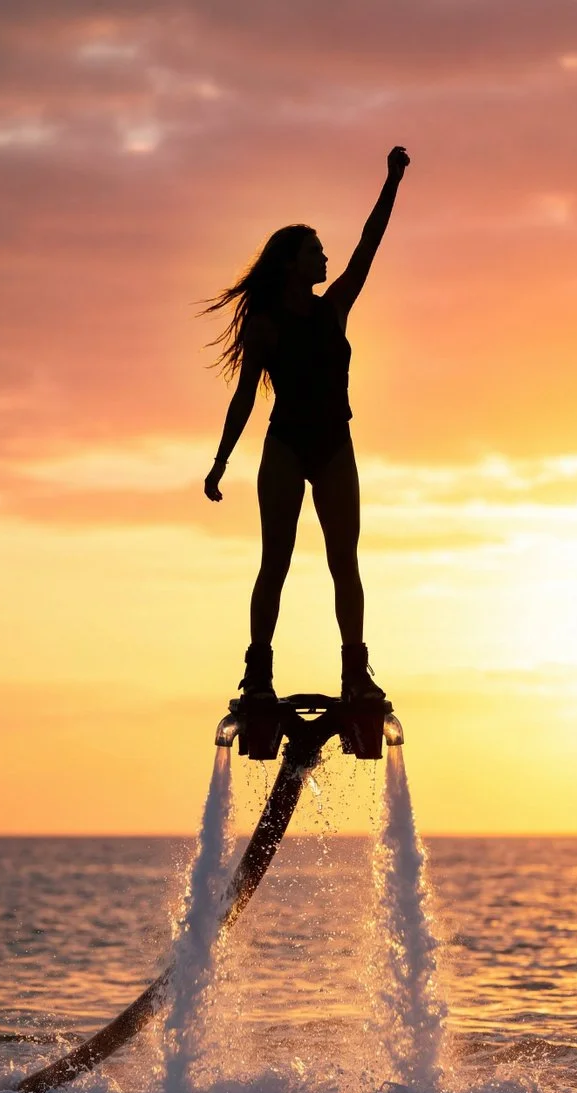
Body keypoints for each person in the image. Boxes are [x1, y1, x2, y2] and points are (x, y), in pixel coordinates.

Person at [204, 145, 410, 701]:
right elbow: (245, 397)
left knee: (344, 559)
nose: (325, 260)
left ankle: (355, 674)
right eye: (315, 252)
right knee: (276, 559)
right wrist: (220, 464)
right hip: (287, 445)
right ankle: (258, 675)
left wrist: (391, 182)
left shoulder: (334, 306)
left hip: (334, 445)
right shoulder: (267, 327)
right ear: (292, 262)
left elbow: (369, 246)